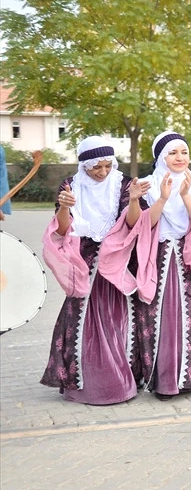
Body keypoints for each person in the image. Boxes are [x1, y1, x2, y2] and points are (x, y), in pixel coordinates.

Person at [39, 138, 141, 404]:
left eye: (108, 166)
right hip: (83, 263)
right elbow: (62, 230)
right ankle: (86, 386)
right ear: (84, 165)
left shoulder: (124, 184)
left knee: (116, 320)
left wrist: (133, 201)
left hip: (116, 262)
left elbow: (132, 225)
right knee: (80, 322)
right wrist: (64, 207)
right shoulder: (70, 186)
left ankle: (120, 383)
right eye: (96, 167)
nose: (103, 172)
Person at [132, 132, 191, 399]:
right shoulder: (146, 185)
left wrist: (184, 195)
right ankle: (164, 379)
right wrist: (162, 198)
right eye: (173, 153)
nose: (180, 158)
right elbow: (142, 223)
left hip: (189, 254)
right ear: (161, 157)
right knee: (159, 315)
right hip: (157, 255)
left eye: (184, 152)